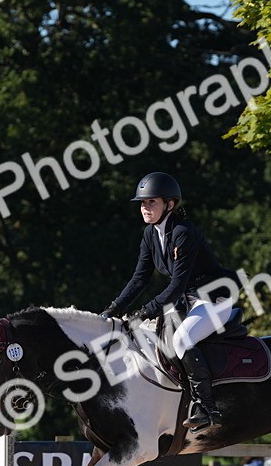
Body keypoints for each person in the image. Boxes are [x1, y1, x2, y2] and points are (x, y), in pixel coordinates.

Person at [99, 172, 238, 431]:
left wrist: (144, 313)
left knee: (181, 340)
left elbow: (176, 286)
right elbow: (139, 279)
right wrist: (113, 309)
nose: (145, 208)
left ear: (170, 204)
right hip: (187, 302)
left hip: (213, 299)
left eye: (151, 202)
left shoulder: (184, 233)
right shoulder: (150, 235)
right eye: (142, 203)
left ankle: (207, 407)